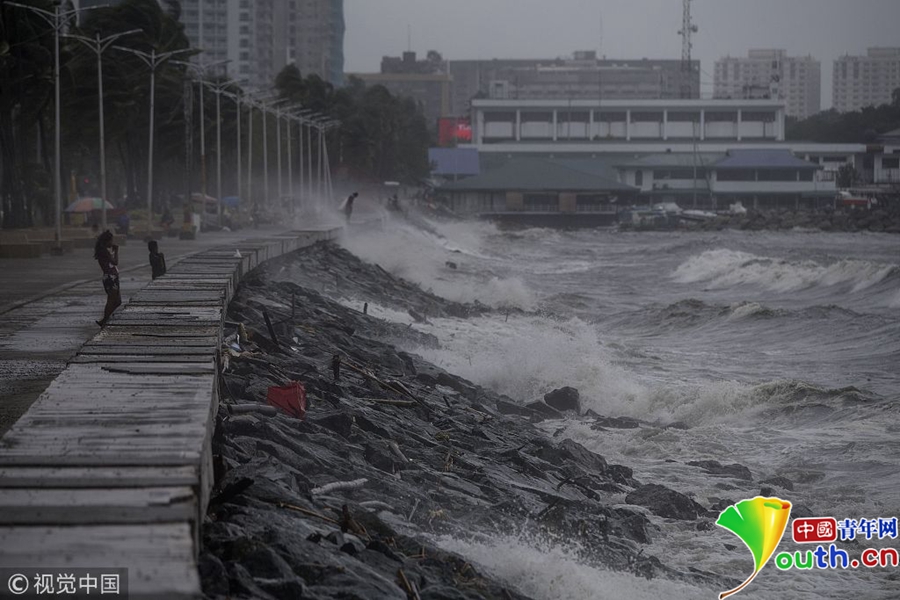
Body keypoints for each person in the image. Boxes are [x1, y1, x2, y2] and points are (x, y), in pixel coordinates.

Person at [94, 230, 121, 326]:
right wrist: (116, 251)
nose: (112, 242)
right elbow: (115, 262)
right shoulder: (104, 251)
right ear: (107, 241)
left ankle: (105, 319)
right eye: (111, 240)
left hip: (113, 277)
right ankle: (104, 320)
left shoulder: (104, 251)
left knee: (118, 301)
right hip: (110, 278)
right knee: (111, 300)